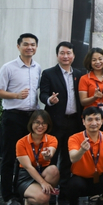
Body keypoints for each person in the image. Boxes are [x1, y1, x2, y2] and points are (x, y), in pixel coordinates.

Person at [0, 33, 42, 205]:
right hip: (13, 116)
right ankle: (8, 195)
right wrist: (16, 95)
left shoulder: (37, 68)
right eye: (26, 44)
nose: (30, 47)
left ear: (36, 47)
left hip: (31, 118)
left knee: (26, 158)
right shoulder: (8, 67)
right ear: (18, 46)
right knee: (9, 157)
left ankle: (21, 191)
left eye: (33, 44)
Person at [39, 41, 83, 188]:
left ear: (73, 55)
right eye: (62, 53)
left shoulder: (79, 74)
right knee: (51, 156)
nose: (65, 56)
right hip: (55, 121)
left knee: (68, 156)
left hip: (74, 122)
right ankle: (49, 188)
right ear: (57, 55)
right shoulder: (48, 73)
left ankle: (64, 189)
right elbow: (43, 94)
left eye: (68, 53)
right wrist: (49, 100)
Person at [15, 110, 59, 205]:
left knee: (53, 170)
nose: (40, 126)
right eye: (37, 122)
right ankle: (28, 199)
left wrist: (47, 155)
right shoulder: (21, 142)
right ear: (31, 123)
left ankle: (45, 202)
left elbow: (50, 153)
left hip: (43, 171)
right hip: (26, 175)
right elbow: (28, 167)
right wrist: (43, 183)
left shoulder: (52, 139)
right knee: (43, 197)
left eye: (44, 123)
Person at [78, 48, 103, 136]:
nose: (98, 62)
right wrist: (94, 97)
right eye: (94, 60)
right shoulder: (84, 78)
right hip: (91, 118)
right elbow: (83, 101)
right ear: (89, 62)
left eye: (100, 59)